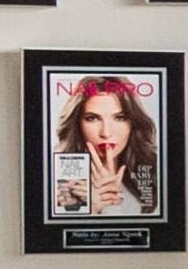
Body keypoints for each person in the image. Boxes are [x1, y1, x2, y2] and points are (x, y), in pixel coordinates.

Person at [53, 75, 161, 217]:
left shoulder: (157, 171)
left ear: (134, 123)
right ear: (77, 124)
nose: (106, 133)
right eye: (92, 118)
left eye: (120, 118)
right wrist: (90, 209)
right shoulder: (54, 179)